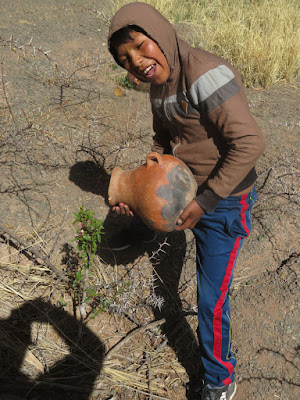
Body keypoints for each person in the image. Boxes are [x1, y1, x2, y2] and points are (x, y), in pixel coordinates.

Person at [107, 3, 265, 399]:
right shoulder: (161, 83)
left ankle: (219, 380)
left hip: (225, 200)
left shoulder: (204, 74)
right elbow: (163, 139)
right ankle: (138, 226)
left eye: (142, 47)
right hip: (189, 192)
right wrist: (144, 182)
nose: (138, 62)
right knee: (143, 210)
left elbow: (249, 143)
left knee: (210, 297)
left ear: (161, 34)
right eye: (126, 60)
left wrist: (207, 202)